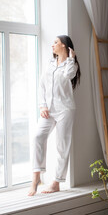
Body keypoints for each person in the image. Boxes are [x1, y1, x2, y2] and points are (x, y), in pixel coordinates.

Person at [28, 35, 81, 196]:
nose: (53, 45)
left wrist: (72, 59)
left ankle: (56, 182)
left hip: (65, 109)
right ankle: (36, 177)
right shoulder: (50, 64)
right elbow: (42, 85)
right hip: (49, 109)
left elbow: (68, 76)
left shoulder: (71, 65)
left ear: (64, 46)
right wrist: (42, 105)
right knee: (38, 137)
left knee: (61, 146)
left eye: (56, 42)